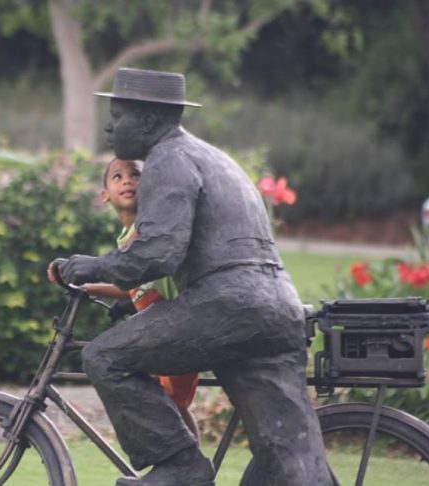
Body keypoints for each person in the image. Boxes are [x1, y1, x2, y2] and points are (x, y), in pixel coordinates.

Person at [56, 68, 332, 485]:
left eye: (118, 114)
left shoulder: (169, 159)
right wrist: (133, 300)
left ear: (148, 121)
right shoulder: (214, 158)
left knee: (104, 356)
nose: (110, 126)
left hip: (228, 304)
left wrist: (96, 265)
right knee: (288, 456)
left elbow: (159, 253)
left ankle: (180, 466)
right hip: (273, 310)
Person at [50, 157, 201, 441]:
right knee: (170, 406)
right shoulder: (128, 236)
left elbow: (132, 273)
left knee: (170, 405)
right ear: (105, 194)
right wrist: (92, 288)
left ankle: (188, 470)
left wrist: (94, 272)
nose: (127, 180)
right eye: (117, 176)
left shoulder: (147, 232)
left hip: (176, 331)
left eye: (136, 174)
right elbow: (134, 284)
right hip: (160, 328)